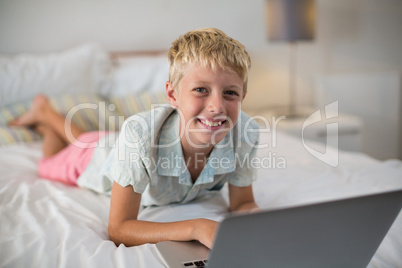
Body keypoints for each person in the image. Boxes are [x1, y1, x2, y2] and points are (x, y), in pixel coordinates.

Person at [10, 28, 260, 249]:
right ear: (173, 95)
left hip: (119, 144)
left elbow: (243, 204)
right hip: (95, 157)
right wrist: (197, 228)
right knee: (54, 160)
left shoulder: (246, 134)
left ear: (242, 97)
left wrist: (264, 224)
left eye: (230, 93)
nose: (217, 106)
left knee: (84, 137)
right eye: (201, 90)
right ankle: (45, 118)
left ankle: (45, 113)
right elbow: (119, 228)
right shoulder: (139, 136)